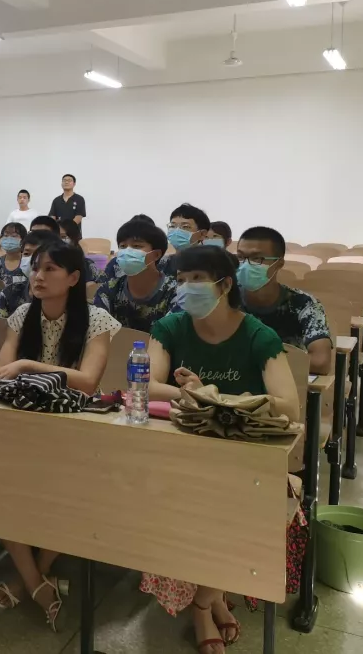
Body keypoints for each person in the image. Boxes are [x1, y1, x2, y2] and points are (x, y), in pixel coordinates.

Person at [143, 244, 299, 653]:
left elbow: (288, 406)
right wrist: (194, 393)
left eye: (197, 279)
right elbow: (146, 385)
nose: (185, 288)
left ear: (225, 285)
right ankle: (213, 598)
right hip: (185, 449)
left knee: (244, 513)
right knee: (174, 504)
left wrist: (209, 394)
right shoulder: (170, 327)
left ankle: (202, 603)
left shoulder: (258, 336)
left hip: (243, 454)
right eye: (180, 281)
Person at [0, 239, 119, 629]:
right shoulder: (23, 314)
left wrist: (29, 365)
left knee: (71, 497)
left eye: (49, 269)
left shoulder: (96, 319)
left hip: (74, 425)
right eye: (35, 268)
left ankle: (30, 578)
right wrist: (23, 368)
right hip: (22, 421)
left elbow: (88, 382)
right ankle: (37, 584)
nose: (38, 276)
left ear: (74, 278)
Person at [237, 226, 332, 374]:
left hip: (287, 382)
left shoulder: (304, 304)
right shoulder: (224, 299)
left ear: (279, 263)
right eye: (241, 257)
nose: (245, 265)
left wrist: (255, 359)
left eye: (257, 259)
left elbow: (320, 362)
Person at [93, 218, 179, 332]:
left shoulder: (175, 293)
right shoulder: (108, 290)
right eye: (123, 246)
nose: (127, 251)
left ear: (156, 255)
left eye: (137, 246)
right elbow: (98, 332)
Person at [0, 230, 58, 318]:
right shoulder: (11, 292)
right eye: (27, 253)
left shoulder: (61, 296)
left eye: (38, 255)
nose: (32, 260)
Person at [163, 203, 212, 277]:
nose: (177, 231)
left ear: (202, 234)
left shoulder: (212, 265)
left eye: (185, 227)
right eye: (172, 226)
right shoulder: (161, 263)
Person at [58, 218, 103, 285]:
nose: (57, 240)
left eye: (63, 236)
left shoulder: (88, 265)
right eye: (54, 236)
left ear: (74, 238)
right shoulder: (49, 265)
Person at [0, 222, 27, 290]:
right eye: (5, 235)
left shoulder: (27, 262)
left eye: (14, 236)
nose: (9, 239)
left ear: (23, 240)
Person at [48, 173, 86, 237]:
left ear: (74, 184)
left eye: (69, 180)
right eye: (64, 180)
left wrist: (65, 230)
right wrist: (56, 229)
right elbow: (52, 216)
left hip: (74, 235)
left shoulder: (79, 199)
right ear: (61, 183)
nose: (66, 182)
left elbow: (78, 218)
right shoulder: (56, 200)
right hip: (58, 235)